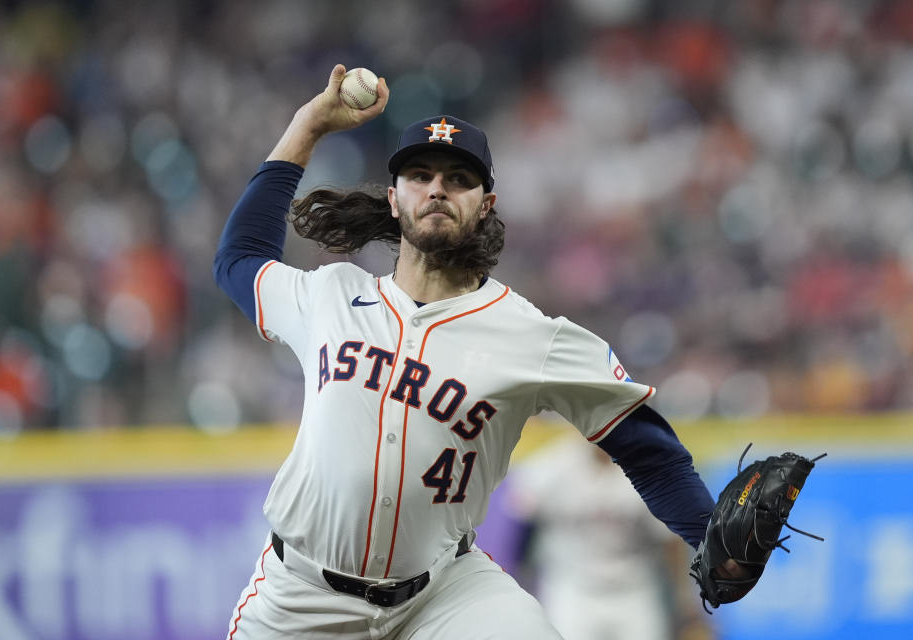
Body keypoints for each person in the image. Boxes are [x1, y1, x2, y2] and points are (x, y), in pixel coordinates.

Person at [213, 65, 726, 640]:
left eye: (459, 178)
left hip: (443, 595)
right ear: (393, 196)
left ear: (486, 204)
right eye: (420, 174)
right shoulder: (330, 294)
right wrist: (307, 126)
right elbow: (237, 260)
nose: (436, 188)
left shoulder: (531, 335)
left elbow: (648, 451)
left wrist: (712, 538)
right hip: (301, 598)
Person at [506, 436, 715, 640]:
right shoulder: (552, 466)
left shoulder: (651, 470)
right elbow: (517, 525)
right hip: (571, 589)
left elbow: (671, 540)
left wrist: (685, 598)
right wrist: (514, 586)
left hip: (634, 591)